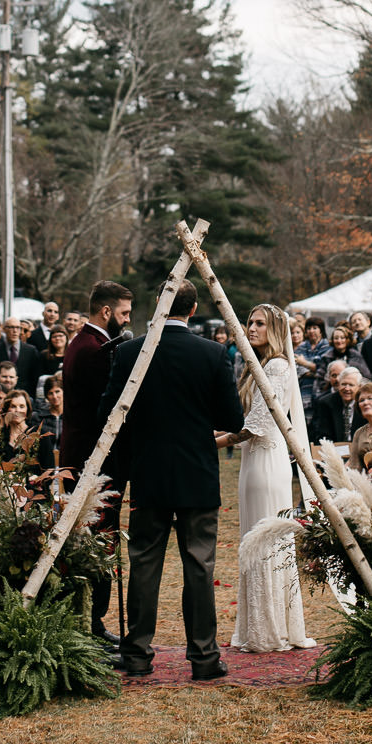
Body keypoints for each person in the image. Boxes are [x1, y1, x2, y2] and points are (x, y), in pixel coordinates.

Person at [97, 280, 242, 681]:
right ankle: (204, 658)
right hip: (196, 473)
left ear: (158, 305)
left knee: (144, 565)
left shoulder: (129, 353)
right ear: (193, 310)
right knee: (199, 566)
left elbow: (109, 415)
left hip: (150, 473)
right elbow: (232, 420)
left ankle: (139, 655)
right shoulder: (212, 354)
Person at [222, 304, 311, 654]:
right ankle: (257, 624)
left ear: (275, 330)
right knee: (253, 538)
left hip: (265, 461)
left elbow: (256, 425)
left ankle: (269, 629)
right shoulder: (256, 366)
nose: (251, 328)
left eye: (259, 323)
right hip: (252, 462)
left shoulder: (277, 366)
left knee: (266, 541)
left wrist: (212, 442)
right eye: (249, 322)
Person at [58, 280, 134, 644]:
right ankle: (92, 621)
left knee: (97, 537)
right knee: (98, 539)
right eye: (124, 313)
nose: (127, 320)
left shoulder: (88, 343)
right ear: (106, 312)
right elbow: (107, 406)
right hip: (93, 459)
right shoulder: (93, 350)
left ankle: (92, 620)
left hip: (85, 455)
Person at [308, 365, 362, 444]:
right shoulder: (326, 403)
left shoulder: (364, 403)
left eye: (351, 385)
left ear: (359, 387)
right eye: (343, 384)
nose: (347, 388)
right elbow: (322, 434)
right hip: (334, 449)